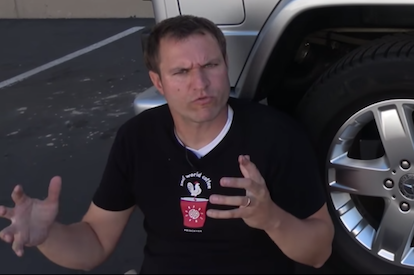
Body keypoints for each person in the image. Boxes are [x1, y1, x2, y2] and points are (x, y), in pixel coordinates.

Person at [0, 15, 334, 273]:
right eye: (181, 72)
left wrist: (271, 218)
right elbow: (95, 243)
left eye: (210, 66)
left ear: (226, 66)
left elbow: (319, 252)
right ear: (157, 82)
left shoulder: (276, 136)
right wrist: (48, 236)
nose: (200, 83)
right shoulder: (137, 138)